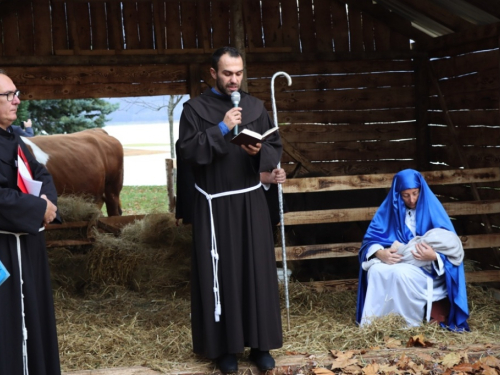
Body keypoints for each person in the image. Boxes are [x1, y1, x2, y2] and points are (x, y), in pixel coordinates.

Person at [177, 47, 283, 373]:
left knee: (256, 272)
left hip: (250, 203)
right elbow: (187, 151)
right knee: (219, 275)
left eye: (238, 73)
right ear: (213, 73)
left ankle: (260, 345)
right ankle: (224, 349)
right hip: (215, 206)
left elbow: (275, 147)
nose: (233, 79)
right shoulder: (194, 109)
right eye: (227, 73)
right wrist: (221, 129)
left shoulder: (255, 106)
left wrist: (259, 153)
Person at [0, 70, 61, 375]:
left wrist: (48, 207)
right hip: (3, 249)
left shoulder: (18, 140)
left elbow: (42, 175)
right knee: (6, 322)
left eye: (16, 93)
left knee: (32, 316)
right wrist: (38, 208)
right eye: (9, 95)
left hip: (29, 245)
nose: (17, 100)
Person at [356, 169, 469, 331]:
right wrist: (380, 253)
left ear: (421, 190)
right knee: (375, 270)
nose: (412, 199)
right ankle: (374, 324)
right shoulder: (388, 212)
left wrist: (434, 256)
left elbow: (451, 247)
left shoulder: (433, 211)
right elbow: (370, 241)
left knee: (401, 274)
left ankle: (406, 325)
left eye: (415, 193)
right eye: (406, 195)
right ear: (397, 194)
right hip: (396, 260)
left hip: (426, 268)